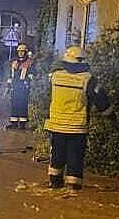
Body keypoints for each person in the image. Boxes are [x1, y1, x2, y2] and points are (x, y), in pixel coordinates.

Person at [43, 45, 109, 190]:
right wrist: (110, 115)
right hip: (77, 126)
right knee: (75, 155)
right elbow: (101, 100)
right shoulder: (88, 79)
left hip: (56, 124)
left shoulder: (55, 76)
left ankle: (54, 182)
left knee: (57, 153)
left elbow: (47, 97)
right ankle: (73, 186)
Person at [6, 43, 34, 129]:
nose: (21, 53)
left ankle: (22, 124)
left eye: (22, 51)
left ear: (25, 52)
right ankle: (14, 123)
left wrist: (28, 82)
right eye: (19, 51)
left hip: (23, 86)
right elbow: (11, 75)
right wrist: (8, 85)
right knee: (14, 104)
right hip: (15, 86)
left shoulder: (29, 63)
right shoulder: (14, 62)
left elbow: (31, 74)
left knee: (22, 104)